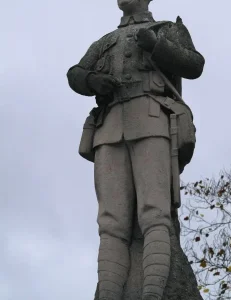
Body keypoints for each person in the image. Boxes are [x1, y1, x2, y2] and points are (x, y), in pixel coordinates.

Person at [67, 1, 205, 299]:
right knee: (111, 222)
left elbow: (194, 64)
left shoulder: (167, 29)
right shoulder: (105, 41)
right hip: (109, 127)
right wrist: (93, 80)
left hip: (152, 120)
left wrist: (157, 45)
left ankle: (153, 293)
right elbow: (75, 74)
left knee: (154, 214)